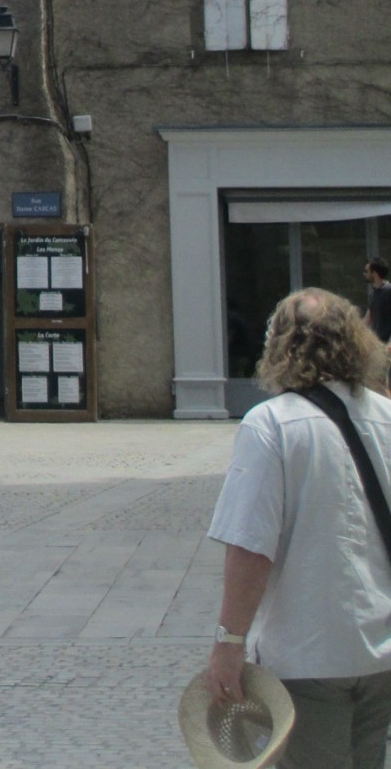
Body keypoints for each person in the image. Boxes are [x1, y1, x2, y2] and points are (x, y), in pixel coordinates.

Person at [206, 289, 391, 768]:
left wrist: (229, 643)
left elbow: (251, 548)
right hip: (383, 652)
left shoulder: (271, 425)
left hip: (307, 654)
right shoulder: (388, 418)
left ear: (281, 347)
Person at [366, 258, 391, 343]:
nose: (365, 274)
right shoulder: (373, 293)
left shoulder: (388, 291)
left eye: (367, 271)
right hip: (376, 344)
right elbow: (368, 317)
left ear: (374, 273)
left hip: (387, 345)